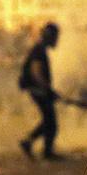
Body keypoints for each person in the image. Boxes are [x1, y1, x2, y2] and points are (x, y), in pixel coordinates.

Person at [19, 23, 63, 161]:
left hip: (39, 89)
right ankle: (47, 152)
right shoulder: (38, 51)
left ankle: (28, 142)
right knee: (51, 121)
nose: (57, 40)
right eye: (55, 36)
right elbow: (36, 71)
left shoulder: (40, 49)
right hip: (38, 90)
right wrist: (47, 89)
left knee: (48, 120)